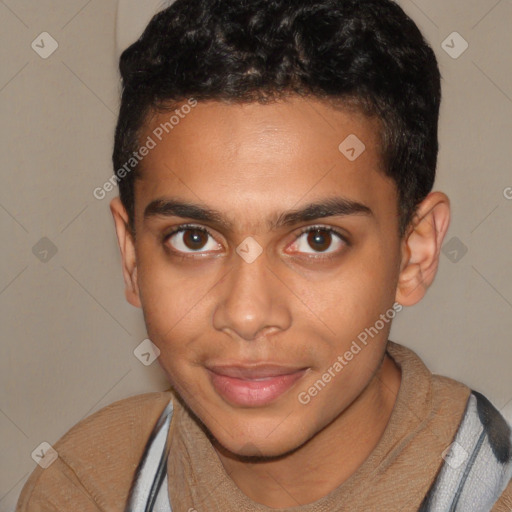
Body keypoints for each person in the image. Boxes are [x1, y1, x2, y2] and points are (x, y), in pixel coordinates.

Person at [16, 0, 512, 510]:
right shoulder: (84, 487)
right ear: (131, 256)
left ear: (415, 252)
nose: (248, 315)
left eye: (318, 240)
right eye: (193, 238)